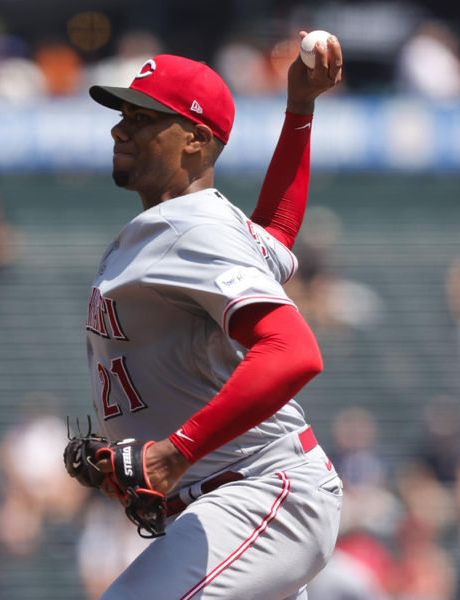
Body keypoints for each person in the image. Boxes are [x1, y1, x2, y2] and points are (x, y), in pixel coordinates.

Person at [79, 31, 344, 599]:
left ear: (196, 139)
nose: (120, 128)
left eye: (145, 118)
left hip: (261, 494)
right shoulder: (202, 225)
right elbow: (276, 233)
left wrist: (175, 453)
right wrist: (299, 111)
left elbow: (293, 350)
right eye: (123, 113)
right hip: (229, 501)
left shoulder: (192, 229)